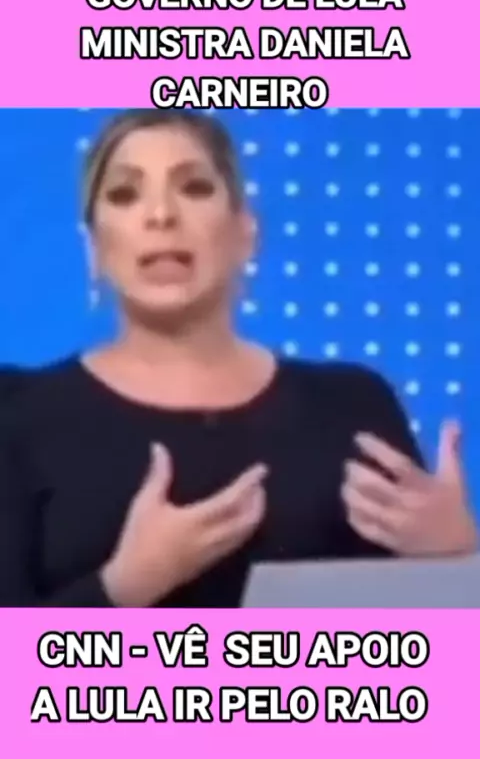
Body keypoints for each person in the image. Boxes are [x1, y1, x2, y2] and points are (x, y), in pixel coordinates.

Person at [0, 109, 477, 608]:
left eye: (194, 188)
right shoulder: (19, 415)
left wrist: (459, 559)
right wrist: (124, 585)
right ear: (94, 248)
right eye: (125, 194)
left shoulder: (351, 406)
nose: (160, 215)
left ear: (245, 233)